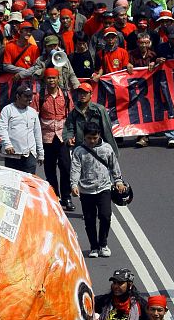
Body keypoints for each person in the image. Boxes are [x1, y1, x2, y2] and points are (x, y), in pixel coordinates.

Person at [70, 121, 124, 257]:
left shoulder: (107, 148)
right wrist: (74, 184)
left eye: (94, 138)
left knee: (105, 216)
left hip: (104, 188)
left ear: (99, 135)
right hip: (86, 190)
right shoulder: (79, 151)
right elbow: (75, 169)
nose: (92, 141)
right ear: (84, 137)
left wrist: (118, 181)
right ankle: (94, 247)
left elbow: (114, 165)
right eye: (89, 138)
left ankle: (103, 244)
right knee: (89, 219)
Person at [32, 68, 73, 210]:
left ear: (58, 79)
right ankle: (55, 196)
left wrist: (71, 135)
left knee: (66, 167)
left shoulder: (66, 95)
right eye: (48, 78)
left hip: (62, 137)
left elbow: (71, 115)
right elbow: (34, 117)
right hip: (46, 137)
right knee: (50, 169)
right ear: (45, 80)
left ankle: (67, 197)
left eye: (53, 78)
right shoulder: (39, 97)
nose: (51, 81)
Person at [0, 85, 44, 174]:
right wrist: (7, 144)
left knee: (29, 182)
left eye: (30, 96)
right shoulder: (7, 110)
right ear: (18, 97)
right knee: (13, 182)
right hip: (12, 153)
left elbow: (37, 133)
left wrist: (41, 154)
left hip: (30, 154)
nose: (29, 99)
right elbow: (2, 129)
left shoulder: (33, 112)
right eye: (26, 96)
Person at [63, 81, 118, 153]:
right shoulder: (74, 112)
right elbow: (69, 128)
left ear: (91, 94)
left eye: (85, 93)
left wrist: (112, 152)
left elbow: (107, 131)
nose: (82, 95)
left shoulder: (99, 110)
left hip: (98, 147)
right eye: (80, 93)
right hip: (81, 149)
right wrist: (68, 139)